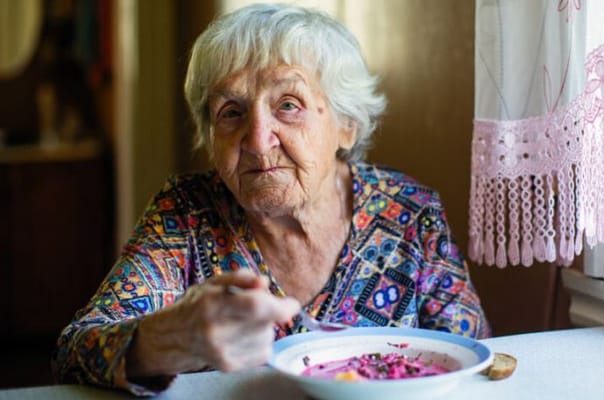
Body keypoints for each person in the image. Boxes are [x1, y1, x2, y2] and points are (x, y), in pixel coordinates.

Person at [52, 3, 490, 396]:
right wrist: (169, 340)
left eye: (288, 104)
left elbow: (480, 357)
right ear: (210, 137)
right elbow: (73, 354)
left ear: (346, 124)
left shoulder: (411, 212)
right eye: (231, 112)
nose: (259, 142)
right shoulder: (184, 215)